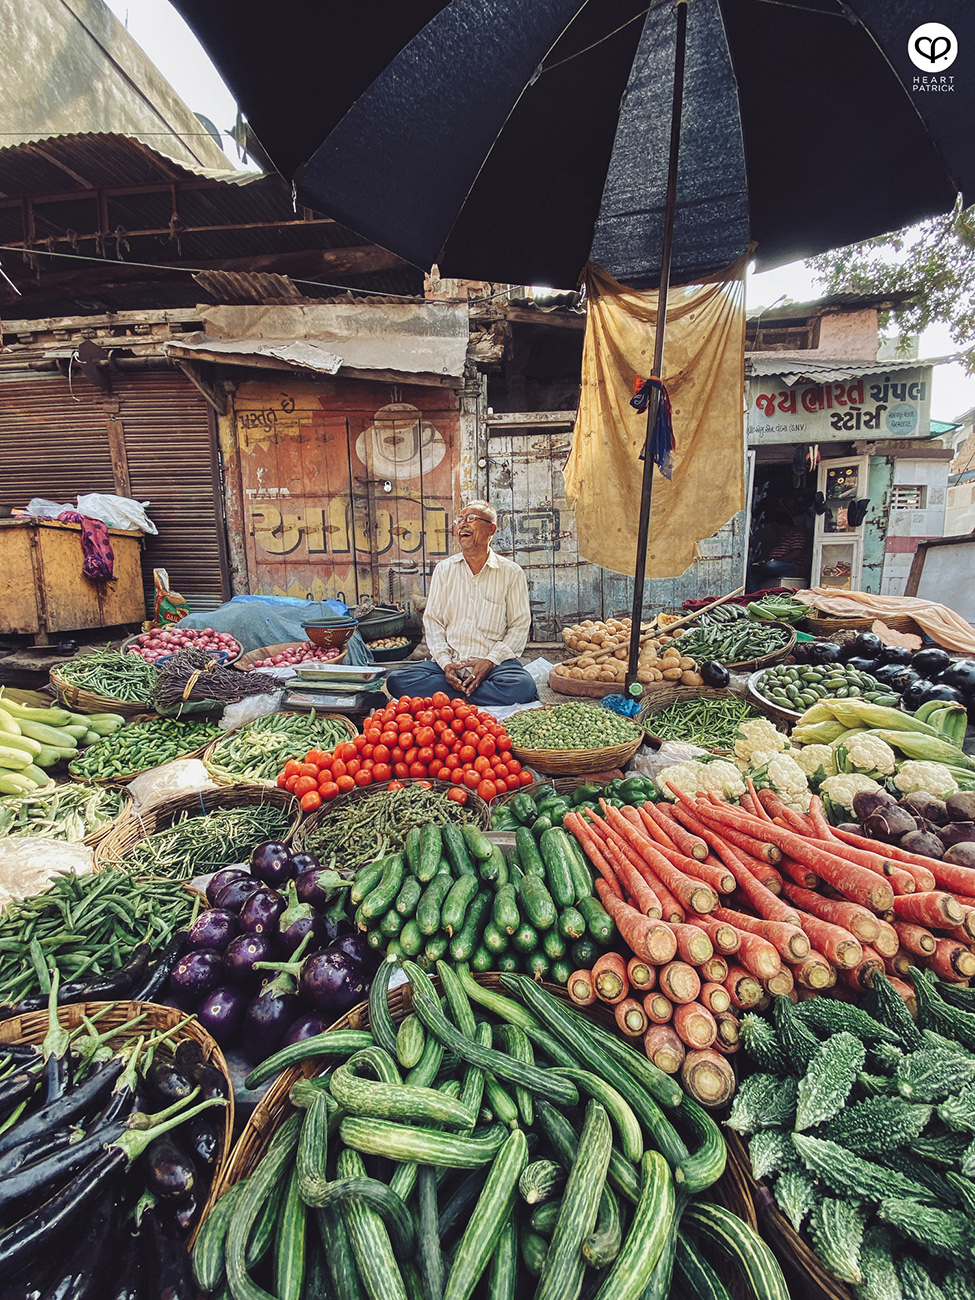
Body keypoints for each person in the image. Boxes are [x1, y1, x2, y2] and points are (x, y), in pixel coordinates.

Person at [385, 500, 538, 708]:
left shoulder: (511, 573)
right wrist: (446, 663)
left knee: (523, 686)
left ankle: (452, 696)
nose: (462, 525)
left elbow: (519, 627)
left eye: (471, 519)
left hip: (493, 666)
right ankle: (469, 692)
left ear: (491, 528)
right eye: (460, 520)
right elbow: (434, 622)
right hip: (451, 664)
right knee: (396, 680)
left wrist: (489, 661)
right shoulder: (444, 570)